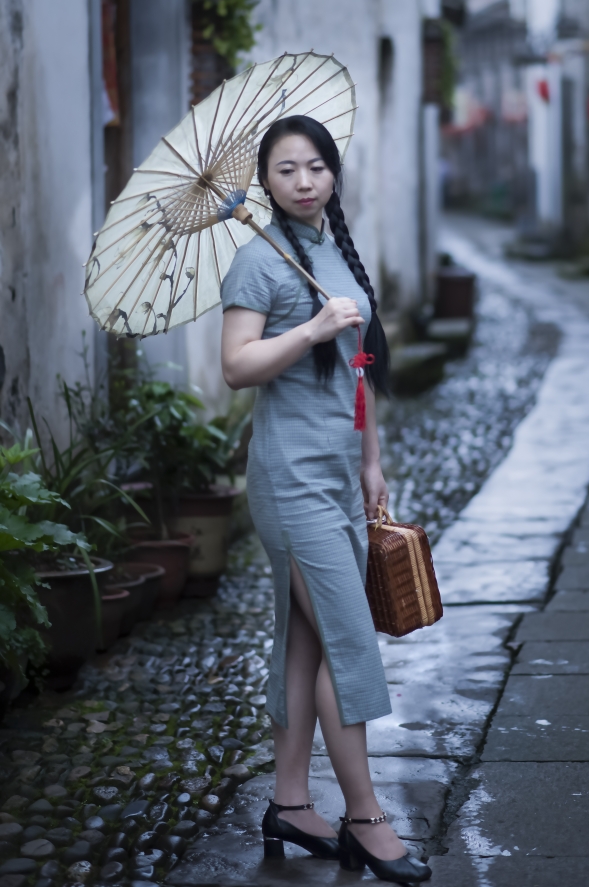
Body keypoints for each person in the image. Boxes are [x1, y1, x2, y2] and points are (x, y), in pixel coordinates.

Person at [220, 115, 431, 884]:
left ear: (333, 174)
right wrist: (310, 328)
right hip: (290, 478)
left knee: (308, 638)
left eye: (316, 166)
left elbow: (360, 368)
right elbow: (237, 367)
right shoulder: (256, 261)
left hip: (340, 474)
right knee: (349, 639)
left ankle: (287, 802)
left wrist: (372, 460)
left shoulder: (335, 254)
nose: (305, 181)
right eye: (285, 170)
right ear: (266, 183)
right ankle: (366, 818)